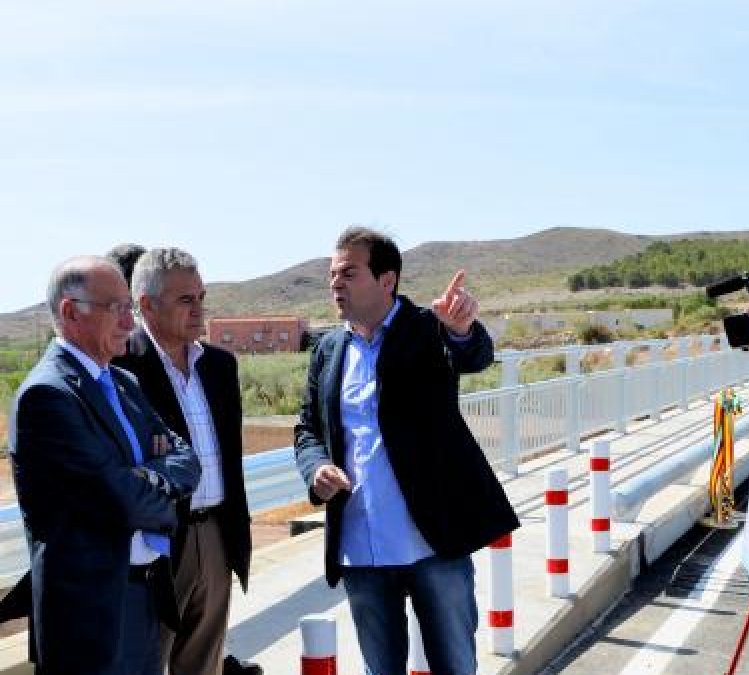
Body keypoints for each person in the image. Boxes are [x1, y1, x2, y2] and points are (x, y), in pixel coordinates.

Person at [294, 226, 519, 675]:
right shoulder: (329, 348)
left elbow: (473, 355)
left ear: (387, 280)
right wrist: (316, 467)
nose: (335, 284)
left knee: (454, 664)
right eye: (332, 275)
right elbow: (307, 429)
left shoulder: (428, 330)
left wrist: (461, 329)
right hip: (360, 547)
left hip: (432, 543)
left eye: (348, 273)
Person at [9, 256, 200, 674]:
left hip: (145, 597)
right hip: (92, 615)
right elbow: (120, 501)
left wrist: (146, 476)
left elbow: (187, 460)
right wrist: (158, 485)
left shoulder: (124, 383)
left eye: (129, 308)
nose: (130, 323)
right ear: (70, 311)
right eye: (116, 308)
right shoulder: (49, 397)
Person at [112, 247, 258, 675]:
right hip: (155, 543)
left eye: (201, 297)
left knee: (204, 664)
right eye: (185, 300)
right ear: (146, 305)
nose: (199, 310)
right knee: (145, 662)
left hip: (215, 537)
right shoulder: (121, 367)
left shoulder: (219, 366)